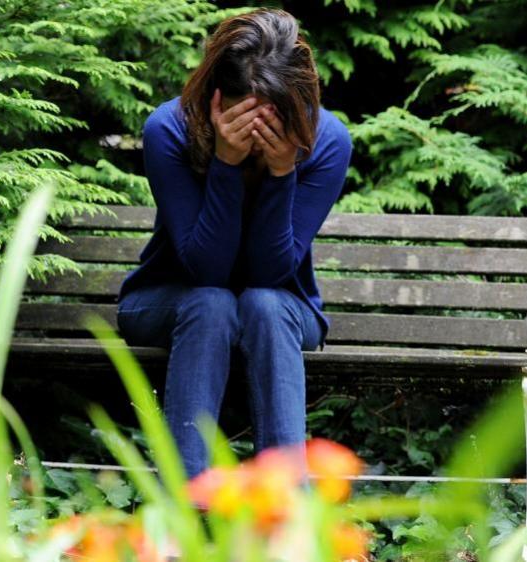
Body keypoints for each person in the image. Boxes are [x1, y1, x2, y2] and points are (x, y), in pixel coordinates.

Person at [115, 7, 352, 478]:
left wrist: (283, 171)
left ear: (299, 98)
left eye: (276, 116)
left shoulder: (326, 140)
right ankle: (185, 512)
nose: (261, 129)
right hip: (167, 299)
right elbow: (207, 271)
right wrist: (225, 164)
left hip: (285, 307)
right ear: (216, 98)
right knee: (212, 303)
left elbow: (270, 273)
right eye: (248, 114)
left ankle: (286, 518)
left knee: (262, 303)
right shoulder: (169, 129)